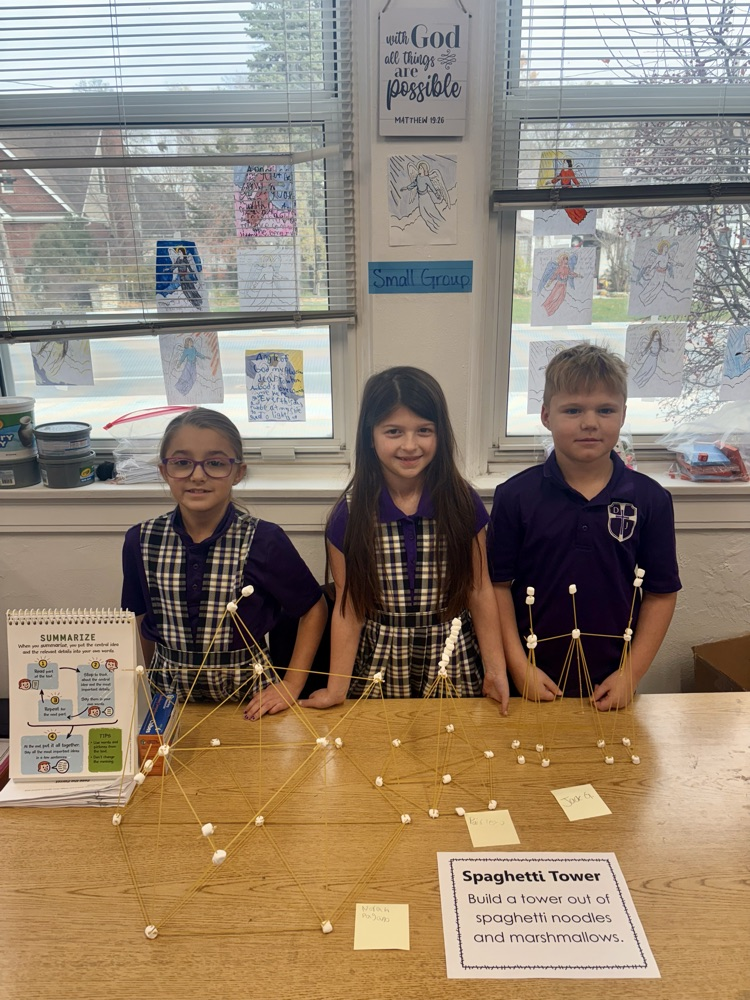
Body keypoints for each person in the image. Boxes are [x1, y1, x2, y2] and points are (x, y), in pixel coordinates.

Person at [301, 366, 509, 712]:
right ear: (371, 436)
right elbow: (348, 607)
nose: (410, 445)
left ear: (439, 434)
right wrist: (336, 689)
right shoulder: (349, 515)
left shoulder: (461, 502)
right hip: (380, 662)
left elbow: (479, 588)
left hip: (452, 655)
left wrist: (496, 669)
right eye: (394, 431)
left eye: (423, 431)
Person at [488, 343, 680, 711]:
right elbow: (496, 587)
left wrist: (631, 674)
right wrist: (517, 665)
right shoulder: (514, 496)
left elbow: (661, 594)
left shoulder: (651, 500)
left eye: (605, 410)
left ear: (623, 414)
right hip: (529, 684)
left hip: (612, 687)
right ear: (546, 415)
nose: (590, 422)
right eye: (573, 410)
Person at [121, 408, 327, 718]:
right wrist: (151, 680)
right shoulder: (140, 540)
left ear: (238, 472)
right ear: (165, 471)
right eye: (182, 462)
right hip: (171, 700)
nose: (198, 475)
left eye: (216, 463)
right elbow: (142, 618)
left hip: (250, 702)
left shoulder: (264, 539)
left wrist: (292, 683)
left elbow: (314, 608)